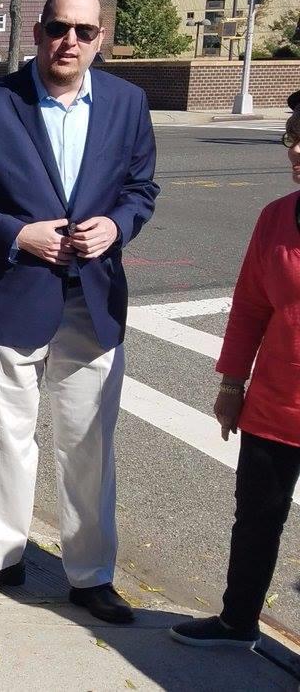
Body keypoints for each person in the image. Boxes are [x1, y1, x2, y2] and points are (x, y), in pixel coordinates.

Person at [0, 0, 159, 624]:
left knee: (88, 442)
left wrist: (117, 225)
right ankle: (1, 555)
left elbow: (141, 189)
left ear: (100, 39)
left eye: (84, 31)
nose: (70, 41)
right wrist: (18, 235)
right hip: (9, 292)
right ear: (38, 31)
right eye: (59, 27)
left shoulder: (127, 102)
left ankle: (90, 574)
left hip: (93, 296)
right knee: (0, 433)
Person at [171, 106, 300, 648]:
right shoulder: (276, 217)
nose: (297, 151)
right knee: (255, 521)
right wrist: (231, 385)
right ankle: (236, 620)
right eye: (293, 136)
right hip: (276, 404)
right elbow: (250, 306)